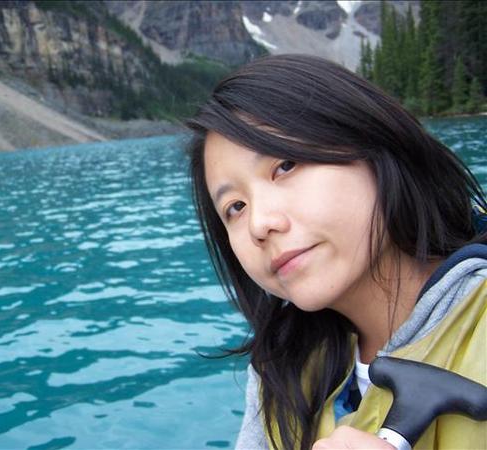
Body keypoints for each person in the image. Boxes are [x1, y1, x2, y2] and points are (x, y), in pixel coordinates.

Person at [184, 54, 486, 450]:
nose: (259, 224)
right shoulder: (281, 371)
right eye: (235, 208)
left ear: (375, 145)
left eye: (285, 165)